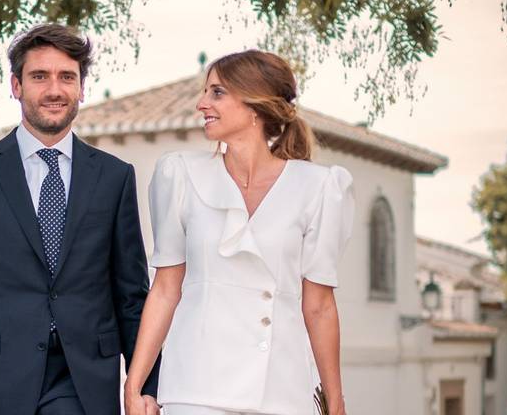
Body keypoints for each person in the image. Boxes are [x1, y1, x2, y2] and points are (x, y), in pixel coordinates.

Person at [0, 23, 160, 415]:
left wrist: (146, 387)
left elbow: (131, 296)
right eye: (39, 77)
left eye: (67, 77)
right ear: (16, 85)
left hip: (84, 382)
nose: (54, 90)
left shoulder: (115, 177)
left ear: (82, 88)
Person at [124, 50, 354, 415]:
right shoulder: (180, 175)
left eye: (217, 93)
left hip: (281, 389)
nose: (201, 104)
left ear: (255, 105)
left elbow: (320, 305)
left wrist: (335, 400)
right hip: (194, 387)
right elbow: (165, 290)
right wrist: (134, 385)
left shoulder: (320, 187)